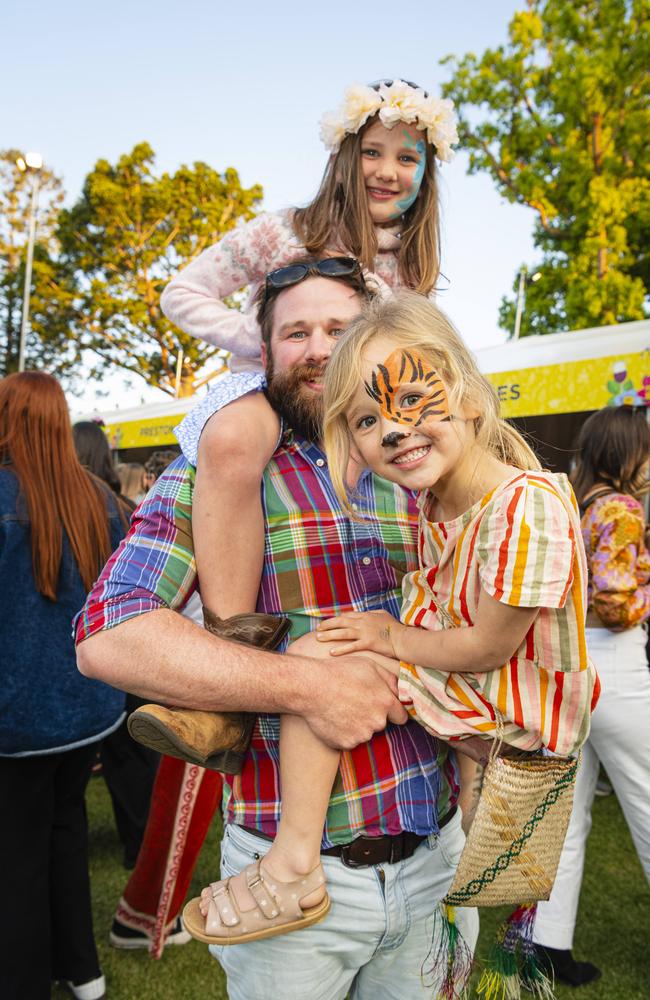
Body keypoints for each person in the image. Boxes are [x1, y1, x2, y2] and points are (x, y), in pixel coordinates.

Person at [76, 266, 479, 1000]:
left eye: (339, 329)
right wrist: (309, 686)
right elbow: (109, 633)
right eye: (296, 333)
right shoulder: (221, 471)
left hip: (438, 864)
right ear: (264, 353)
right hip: (288, 887)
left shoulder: (424, 465)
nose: (319, 349)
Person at [183, 291, 599, 950]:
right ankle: (474, 819)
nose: (395, 430)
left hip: (517, 715)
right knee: (330, 654)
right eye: (369, 421)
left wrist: (385, 635)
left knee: (325, 658)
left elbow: (491, 645)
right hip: (482, 700)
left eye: (411, 400)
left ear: (466, 393)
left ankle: (292, 863)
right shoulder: (438, 505)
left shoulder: (529, 503)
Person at [151, 80, 458, 761]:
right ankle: (230, 674)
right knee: (230, 440)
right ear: (345, 156)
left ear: (426, 172)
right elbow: (183, 290)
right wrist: (262, 344)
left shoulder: (411, 265)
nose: (388, 170)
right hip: (275, 392)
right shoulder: (286, 229)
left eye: (408, 158)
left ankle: (447, 656)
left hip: (360, 410)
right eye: (373, 152)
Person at [0, 372, 129, 1000]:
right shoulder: (100, 497)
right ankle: (83, 971)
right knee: (62, 830)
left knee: (19, 852)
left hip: (18, 715)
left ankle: (27, 981)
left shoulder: (75, 498)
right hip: (84, 707)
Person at [533, 405, 650, 986]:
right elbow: (616, 605)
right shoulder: (621, 509)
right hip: (616, 669)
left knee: (569, 817)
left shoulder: (570, 503)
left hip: (570, 670)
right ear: (627, 452)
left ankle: (547, 946)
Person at [73, 420, 160, 871]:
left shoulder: (75, 507)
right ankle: (140, 847)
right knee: (132, 760)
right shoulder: (122, 507)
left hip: (89, 655)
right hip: (128, 655)